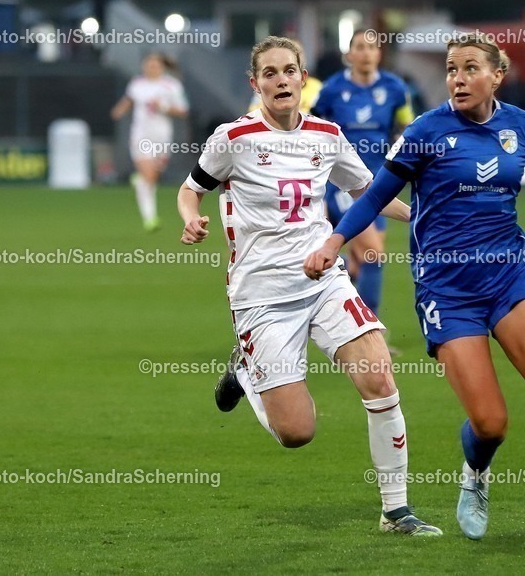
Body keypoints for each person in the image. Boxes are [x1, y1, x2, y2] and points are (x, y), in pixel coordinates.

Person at [304, 33, 525, 561]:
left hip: (509, 278)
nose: (458, 79)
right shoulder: (425, 131)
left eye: (469, 69)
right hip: (447, 290)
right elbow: (375, 194)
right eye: (450, 70)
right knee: (491, 423)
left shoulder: (523, 127)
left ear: (497, 75)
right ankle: (475, 473)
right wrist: (334, 241)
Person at [178, 35, 441, 537]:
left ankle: (396, 511)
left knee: (380, 378)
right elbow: (191, 190)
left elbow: (367, 192)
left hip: (324, 280)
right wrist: (191, 219)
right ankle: (247, 374)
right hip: (262, 297)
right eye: (270, 73)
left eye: (289, 71)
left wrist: (423, 218)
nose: (281, 80)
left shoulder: (326, 134)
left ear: (303, 78)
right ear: (255, 84)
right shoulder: (233, 138)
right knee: (297, 432)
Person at [311, 29, 414, 317]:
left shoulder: (395, 88)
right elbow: (313, 127)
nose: (367, 52)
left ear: (379, 53)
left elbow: (406, 128)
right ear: (349, 54)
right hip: (343, 181)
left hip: (380, 181)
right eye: (360, 47)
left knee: (359, 262)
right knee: (374, 254)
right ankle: (370, 327)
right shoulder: (332, 89)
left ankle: (326, 264)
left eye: (372, 47)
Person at [111, 52, 189, 231]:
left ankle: (139, 182)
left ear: (162, 66)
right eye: (148, 64)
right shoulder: (137, 84)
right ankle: (150, 218)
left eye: (155, 64)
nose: (151, 67)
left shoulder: (171, 85)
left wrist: (162, 107)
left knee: (151, 178)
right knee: (148, 175)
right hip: (141, 136)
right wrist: (119, 110)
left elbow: (183, 110)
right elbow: (129, 99)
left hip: (162, 137)